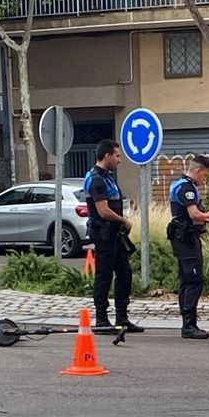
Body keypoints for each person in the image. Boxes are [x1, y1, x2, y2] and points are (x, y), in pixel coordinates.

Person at [83, 140, 144, 333]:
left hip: (114, 234)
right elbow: (102, 210)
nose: (119, 160)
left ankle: (122, 318)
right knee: (104, 276)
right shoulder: (96, 179)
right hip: (104, 233)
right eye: (117, 156)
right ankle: (101, 319)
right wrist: (123, 220)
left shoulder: (107, 177)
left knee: (124, 273)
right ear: (107, 155)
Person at [167, 153, 209, 339]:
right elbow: (194, 214)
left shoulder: (179, 184)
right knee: (194, 280)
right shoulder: (186, 187)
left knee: (186, 279)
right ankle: (189, 325)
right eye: (204, 175)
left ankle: (187, 322)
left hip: (183, 237)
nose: (204, 179)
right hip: (186, 239)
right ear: (197, 171)